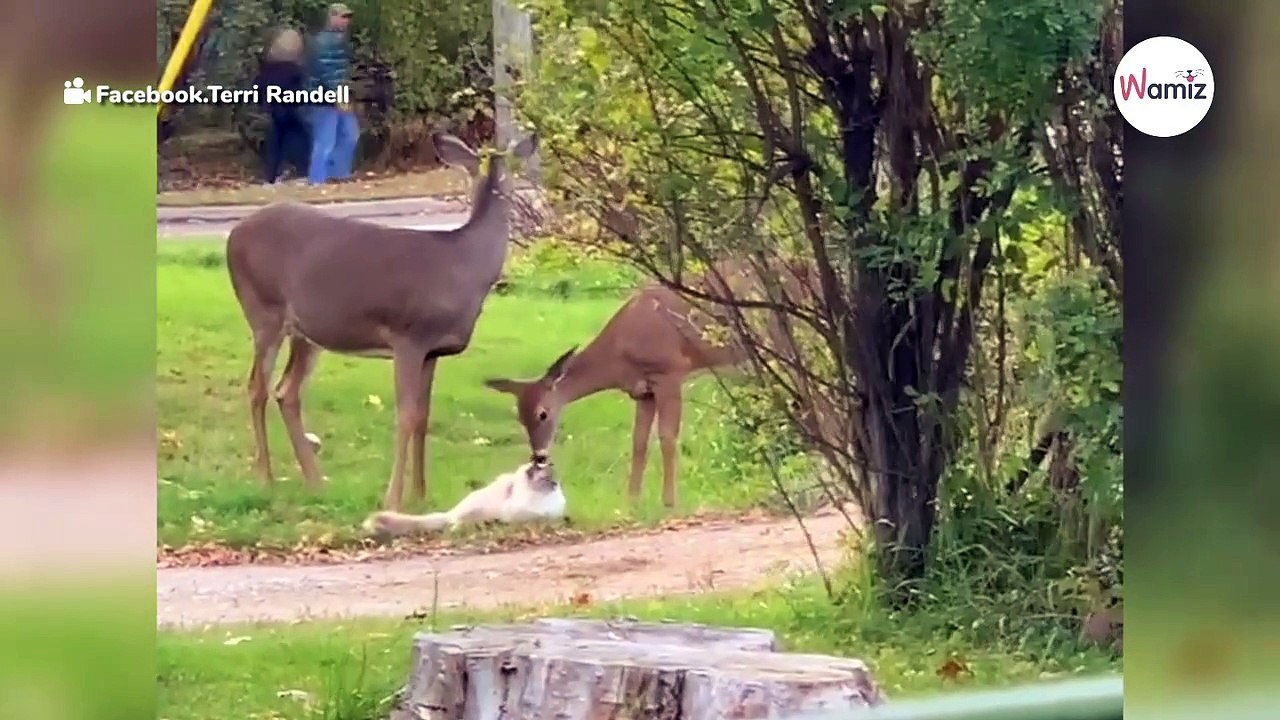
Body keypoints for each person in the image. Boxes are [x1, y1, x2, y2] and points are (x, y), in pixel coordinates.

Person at [305, 3, 359, 185]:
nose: (346, 21)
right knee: (325, 140)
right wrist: (338, 95)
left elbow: (342, 71)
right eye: (342, 17)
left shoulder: (340, 40)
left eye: (348, 17)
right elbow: (327, 72)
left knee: (350, 135)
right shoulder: (322, 42)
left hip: (340, 93)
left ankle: (339, 174)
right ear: (331, 17)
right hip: (325, 97)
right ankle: (317, 179)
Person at [254, 28, 309, 184]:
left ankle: (272, 175)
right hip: (288, 109)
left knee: (276, 140)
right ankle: (299, 170)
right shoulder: (294, 70)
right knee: (299, 137)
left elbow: (259, 87)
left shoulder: (268, 69)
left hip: (275, 109)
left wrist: (264, 104)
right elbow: (298, 91)